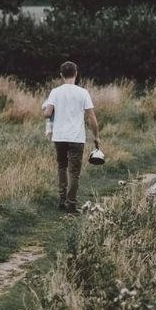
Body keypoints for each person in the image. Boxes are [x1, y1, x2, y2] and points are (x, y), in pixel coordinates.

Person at [42, 61, 100, 214]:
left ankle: (62, 201)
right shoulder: (83, 92)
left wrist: (46, 112)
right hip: (76, 138)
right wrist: (96, 137)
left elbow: (47, 113)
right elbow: (92, 117)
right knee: (74, 172)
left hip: (59, 137)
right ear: (76, 73)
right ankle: (71, 205)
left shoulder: (55, 92)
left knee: (62, 167)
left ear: (61, 75)